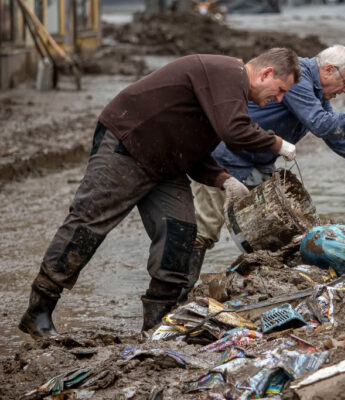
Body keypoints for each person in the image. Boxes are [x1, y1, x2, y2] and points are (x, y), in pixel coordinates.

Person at [18, 48, 302, 339]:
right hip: (128, 144)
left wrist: (224, 180)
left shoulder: (227, 89)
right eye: (280, 90)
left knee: (180, 231)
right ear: (266, 73)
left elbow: (193, 149)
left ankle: (156, 324)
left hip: (165, 162)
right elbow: (234, 131)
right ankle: (38, 310)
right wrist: (278, 144)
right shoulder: (230, 74)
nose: (278, 99)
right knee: (89, 222)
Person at [184, 44, 345, 301]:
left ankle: (257, 293)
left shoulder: (318, 90)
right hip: (225, 160)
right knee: (204, 232)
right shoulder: (298, 78)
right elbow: (321, 124)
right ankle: (177, 296)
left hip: (258, 164)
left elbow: (333, 136)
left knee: (269, 236)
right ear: (328, 70)